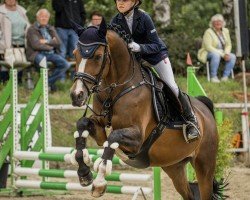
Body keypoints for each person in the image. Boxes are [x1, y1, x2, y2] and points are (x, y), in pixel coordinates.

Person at [111, 0, 200, 142]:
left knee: (171, 85)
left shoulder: (144, 18)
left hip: (156, 57)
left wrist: (139, 47)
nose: (120, 3)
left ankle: (191, 121)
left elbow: (156, 45)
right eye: (118, 0)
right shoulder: (115, 21)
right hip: (137, 60)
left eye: (125, 0)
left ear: (134, 2)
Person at [26, 8, 70, 91]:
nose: (44, 18)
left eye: (46, 16)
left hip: (50, 54)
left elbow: (58, 43)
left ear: (48, 18)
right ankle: (48, 86)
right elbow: (36, 45)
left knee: (65, 64)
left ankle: (45, 84)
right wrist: (51, 45)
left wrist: (45, 41)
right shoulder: (32, 29)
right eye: (42, 16)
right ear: (37, 17)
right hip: (37, 53)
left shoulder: (50, 28)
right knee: (43, 64)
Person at [198, 14, 236, 83]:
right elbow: (208, 47)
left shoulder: (225, 31)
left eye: (220, 21)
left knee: (232, 56)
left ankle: (225, 77)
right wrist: (222, 54)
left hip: (223, 53)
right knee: (216, 55)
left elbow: (228, 44)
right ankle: (213, 77)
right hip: (208, 53)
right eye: (216, 21)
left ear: (223, 22)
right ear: (212, 23)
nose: (218, 23)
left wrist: (226, 53)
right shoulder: (208, 32)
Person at [0, 0, 29, 83]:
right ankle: (4, 86)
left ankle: (17, 87)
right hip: (5, 45)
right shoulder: (1, 11)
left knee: (19, 65)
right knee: (6, 66)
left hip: (21, 44)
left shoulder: (21, 10)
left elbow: (27, 26)